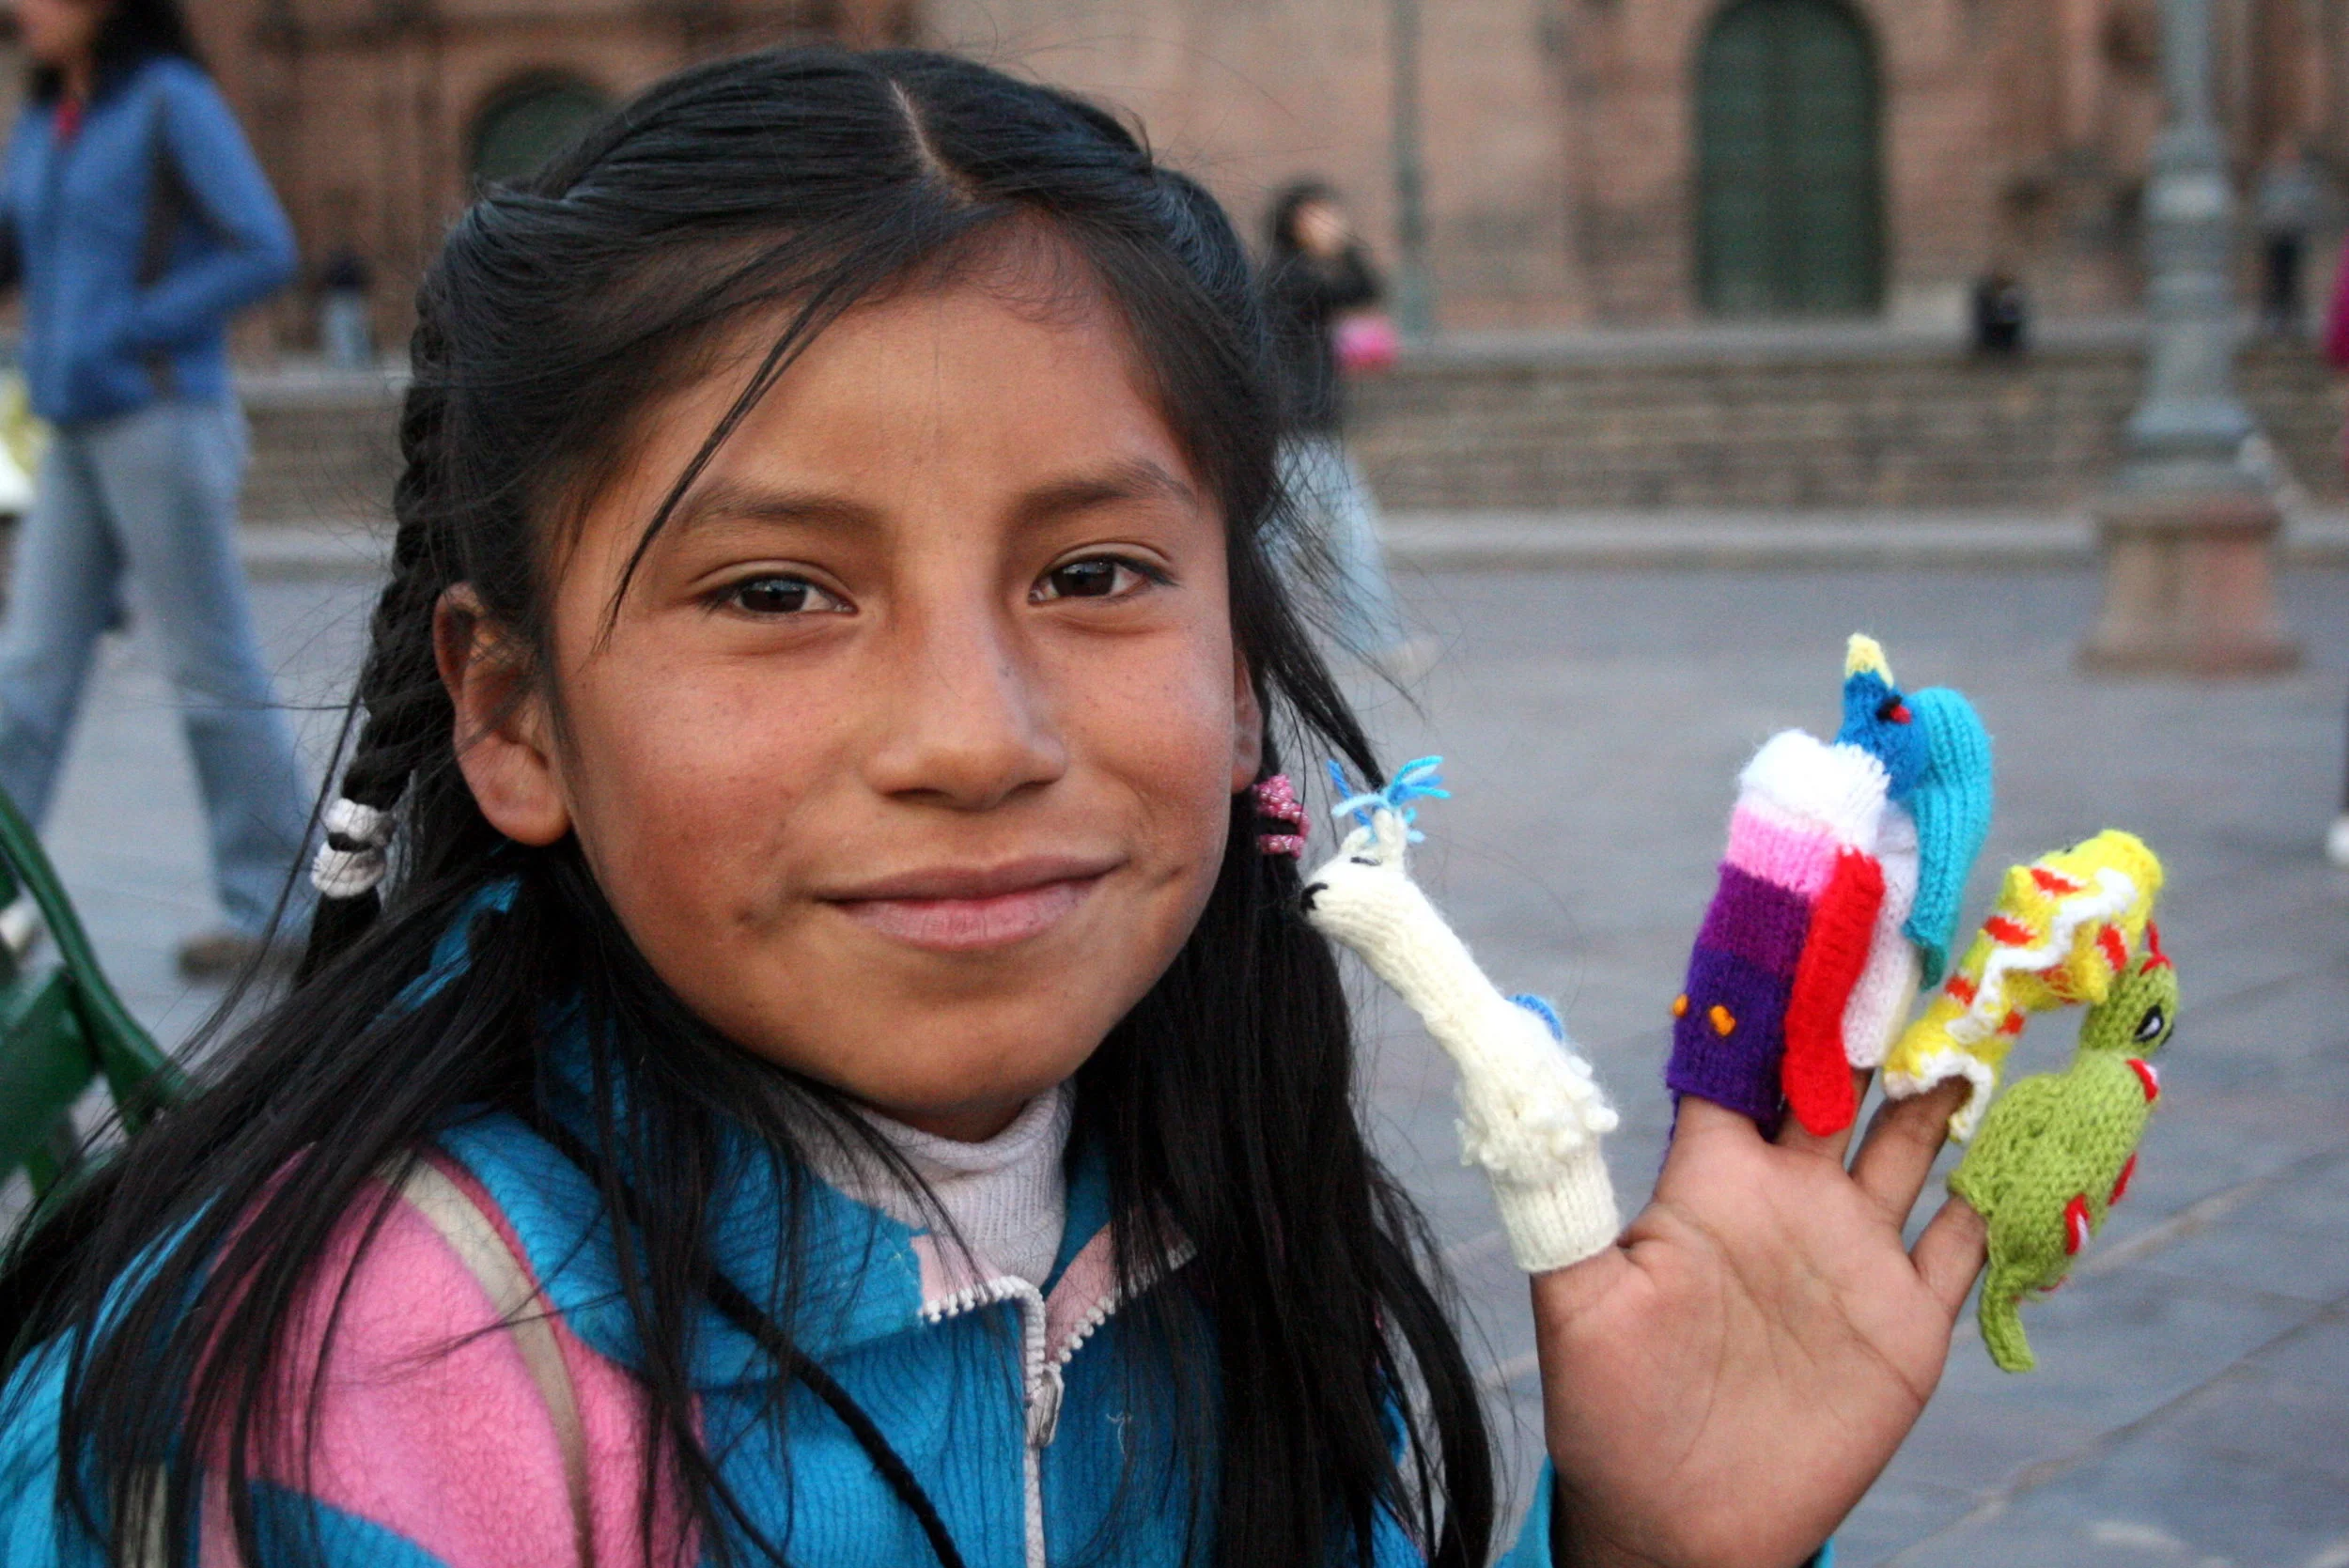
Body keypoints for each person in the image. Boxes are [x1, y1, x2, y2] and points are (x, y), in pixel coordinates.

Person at [0, 49, 1987, 1568]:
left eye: (1093, 576)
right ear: (511, 714)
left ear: (1236, 678)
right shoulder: (332, 1412)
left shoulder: (1207, 1220)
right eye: (775, 593)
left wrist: (1638, 1546)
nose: (973, 733)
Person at [0, 0, 310, 976]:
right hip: (75, 424)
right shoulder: (48, 116)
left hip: (161, 417)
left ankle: (278, 909)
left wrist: (130, 328)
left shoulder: (171, 101)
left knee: (209, 671)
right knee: (28, 673)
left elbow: (264, 246)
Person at [1262, 180, 1430, 678]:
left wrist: (1345, 246)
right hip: (1299, 430)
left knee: (1283, 541)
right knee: (1338, 535)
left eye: (1333, 216)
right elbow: (1355, 289)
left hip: (1307, 429)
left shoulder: (1296, 276)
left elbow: (1366, 290)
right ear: (1293, 221)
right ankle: (1371, 640)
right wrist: (1345, 248)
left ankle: (1242, 633)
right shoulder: (1289, 278)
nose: (1331, 226)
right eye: (1319, 217)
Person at [2255, 143, 2320, 339]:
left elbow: (2309, 207)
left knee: (2293, 280)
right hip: (2274, 236)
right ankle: (2272, 321)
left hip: (2294, 237)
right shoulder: (2270, 178)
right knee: (2273, 280)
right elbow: (2262, 206)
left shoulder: (2303, 180)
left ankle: (2296, 322)